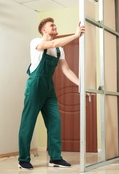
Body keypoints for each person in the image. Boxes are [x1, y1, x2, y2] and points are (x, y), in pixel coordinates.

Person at [18, 17, 85, 170]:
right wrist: (75, 36)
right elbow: (52, 43)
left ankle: (55, 157)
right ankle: (23, 159)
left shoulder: (59, 50)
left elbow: (66, 70)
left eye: (55, 24)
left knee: (55, 122)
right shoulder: (36, 42)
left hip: (48, 88)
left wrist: (81, 83)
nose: (55, 26)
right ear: (44, 30)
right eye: (51, 25)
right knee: (28, 123)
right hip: (35, 85)